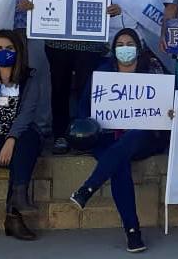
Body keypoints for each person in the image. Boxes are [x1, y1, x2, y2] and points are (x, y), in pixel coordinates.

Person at [69, 28, 167, 253]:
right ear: (113, 50)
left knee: (134, 135)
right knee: (119, 164)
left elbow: (166, 105)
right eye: (120, 44)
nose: (125, 48)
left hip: (143, 139)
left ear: (138, 47)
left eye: (129, 43)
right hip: (105, 138)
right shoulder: (102, 73)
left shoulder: (151, 72)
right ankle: (133, 232)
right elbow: (84, 108)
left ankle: (88, 188)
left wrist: (168, 113)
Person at [0, 30, 49, 241]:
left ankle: (18, 198)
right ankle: (15, 211)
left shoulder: (29, 76)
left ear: (18, 51)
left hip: (18, 137)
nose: (4, 52)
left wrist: (11, 139)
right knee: (21, 153)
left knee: (29, 139)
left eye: (9, 48)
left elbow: (27, 113)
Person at [42, 0, 112, 154]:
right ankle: (60, 135)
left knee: (85, 91)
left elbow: (103, 7)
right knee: (59, 90)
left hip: (87, 46)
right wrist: (35, 7)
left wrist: (111, 9)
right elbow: (44, 2)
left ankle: (85, 133)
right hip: (58, 45)